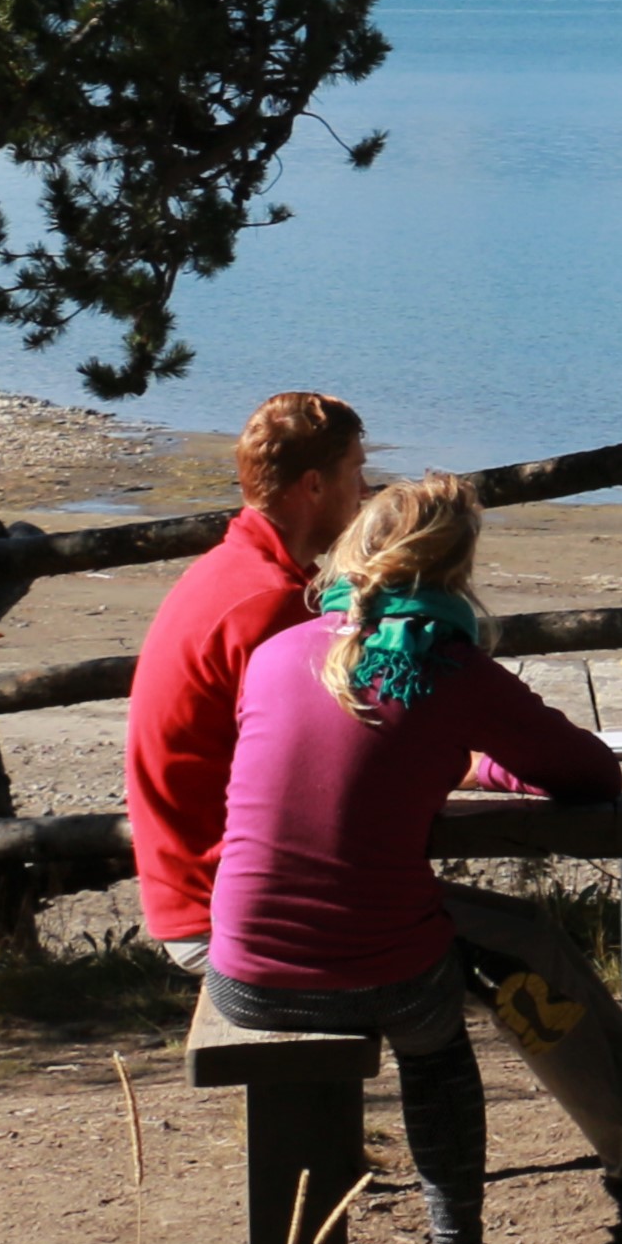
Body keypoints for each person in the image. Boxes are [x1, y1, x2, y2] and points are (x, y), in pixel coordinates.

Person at [206, 472, 622, 1244]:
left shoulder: (279, 651)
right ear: (458, 567)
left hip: (244, 962)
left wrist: (460, 757)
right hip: (380, 965)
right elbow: (591, 773)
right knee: (437, 1048)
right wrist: (490, 758)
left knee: (415, 929)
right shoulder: (448, 662)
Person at [124, 390, 369, 973]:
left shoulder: (233, 571)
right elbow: (332, 762)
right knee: (477, 945)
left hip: (202, 889)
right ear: (314, 485)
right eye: (357, 473)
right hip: (229, 909)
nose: (365, 493)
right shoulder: (269, 605)